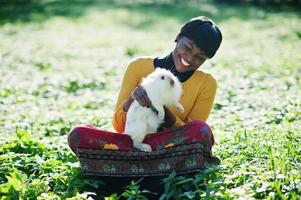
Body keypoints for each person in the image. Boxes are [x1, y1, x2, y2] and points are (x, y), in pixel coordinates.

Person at [68, 16, 222, 197]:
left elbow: (192, 132)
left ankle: (120, 177)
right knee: (79, 134)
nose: (189, 58)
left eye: (199, 57)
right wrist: (132, 100)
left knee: (202, 131)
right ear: (178, 37)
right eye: (187, 48)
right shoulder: (138, 67)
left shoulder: (206, 83)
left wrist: (165, 113)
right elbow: (119, 125)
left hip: (170, 148)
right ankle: (159, 178)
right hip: (133, 145)